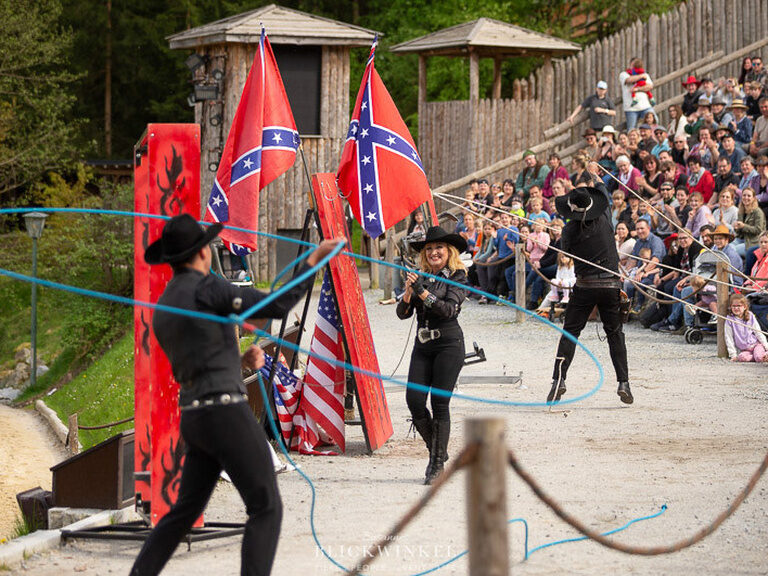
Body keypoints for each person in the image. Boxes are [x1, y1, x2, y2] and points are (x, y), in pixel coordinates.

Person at [130, 214, 342, 576]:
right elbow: (274, 306)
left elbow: (197, 355)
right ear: (201, 253)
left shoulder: (165, 305)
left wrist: (238, 360)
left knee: (181, 514)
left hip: (196, 419)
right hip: (225, 414)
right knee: (266, 507)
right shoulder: (206, 288)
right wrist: (314, 259)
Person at [548, 181, 633, 405]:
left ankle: (559, 379)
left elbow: (566, 254)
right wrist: (595, 178)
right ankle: (623, 382)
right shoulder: (606, 220)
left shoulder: (569, 230)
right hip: (610, 286)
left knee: (570, 333)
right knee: (615, 334)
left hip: (585, 286)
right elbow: (602, 192)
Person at [397, 226, 469, 484]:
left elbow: (448, 310)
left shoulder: (458, 277)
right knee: (414, 400)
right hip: (423, 345)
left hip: (449, 345)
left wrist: (422, 293)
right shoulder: (420, 277)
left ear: (448, 251)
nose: (433, 252)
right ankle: (438, 449)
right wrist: (408, 291)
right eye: (428, 249)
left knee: (439, 404)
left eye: (438, 248)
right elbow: (402, 314)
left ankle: (436, 463)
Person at [724, 294, 768, 362]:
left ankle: (763, 355)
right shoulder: (729, 319)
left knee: (759, 357)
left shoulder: (750, 316)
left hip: (755, 345)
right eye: (734, 306)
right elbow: (728, 337)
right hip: (745, 349)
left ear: (745, 307)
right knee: (742, 358)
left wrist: (766, 347)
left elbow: (758, 332)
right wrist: (733, 355)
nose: (736, 308)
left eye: (739, 306)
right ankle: (760, 357)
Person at [620, 58, 654, 129]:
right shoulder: (624, 74)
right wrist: (641, 76)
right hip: (631, 108)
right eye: (634, 64)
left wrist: (638, 89)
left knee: (654, 122)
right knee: (631, 128)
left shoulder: (645, 74)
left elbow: (650, 86)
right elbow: (629, 80)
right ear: (630, 64)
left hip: (645, 106)